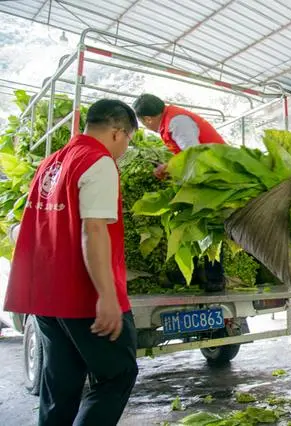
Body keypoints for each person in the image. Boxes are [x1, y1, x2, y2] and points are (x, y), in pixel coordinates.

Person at [4, 99, 139, 426]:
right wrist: (107, 296)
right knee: (117, 375)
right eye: (128, 141)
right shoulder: (99, 161)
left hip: (46, 297)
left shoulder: (52, 162)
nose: (124, 149)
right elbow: (93, 230)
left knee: (61, 382)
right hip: (81, 296)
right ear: (118, 132)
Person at [132, 93, 225, 178]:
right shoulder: (169, 117)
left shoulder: (176, 122)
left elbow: (194, 154)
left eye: (143, 123)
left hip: (220, 167)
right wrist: (168, 167)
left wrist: (171, 167)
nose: (146, 127)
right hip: (211, 164)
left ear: (148, 119)